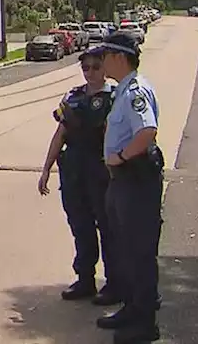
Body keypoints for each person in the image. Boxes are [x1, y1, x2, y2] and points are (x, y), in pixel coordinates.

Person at [88, 32, 165, 344]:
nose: (101, 61)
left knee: (141, 252)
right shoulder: (122, 89)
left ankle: (145, 323)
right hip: (123, 181)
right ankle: (132, 308)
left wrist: (119, 156)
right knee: (127, 250)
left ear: (119, 57)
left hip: (136, 179)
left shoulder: (135, 90)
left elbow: (147, 131)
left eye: (105, 55)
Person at [37, 49, 120, 306]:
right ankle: (85, 279)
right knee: (80, 225)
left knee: (107, 227)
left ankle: (115, 283)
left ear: (105, 69)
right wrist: (46, 168)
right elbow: (60, 133)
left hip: (100, 169)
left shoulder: (114, 97)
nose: (91, 72)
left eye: (96, 67)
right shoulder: (72, 97)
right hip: (73, 169)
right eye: (86, 68)